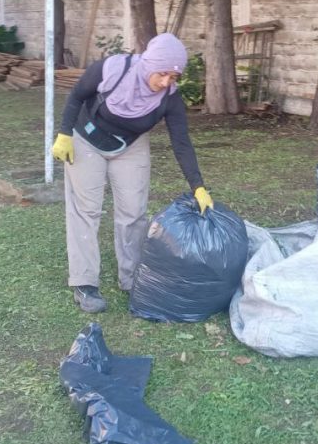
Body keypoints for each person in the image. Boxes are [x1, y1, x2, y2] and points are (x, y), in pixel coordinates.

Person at [52, 33, 213, 313]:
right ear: (150, 64)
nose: (165, 82)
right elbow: (78, 94)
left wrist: (198, 186)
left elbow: (181, 141)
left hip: (131, 145)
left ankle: (132, 278)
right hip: (86, 139)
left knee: (133, 212)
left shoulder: (169, 98)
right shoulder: (112, 70)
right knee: (86, 210)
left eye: (173, 77)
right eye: (162, 74)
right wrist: (64, 133)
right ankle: (85, 283)